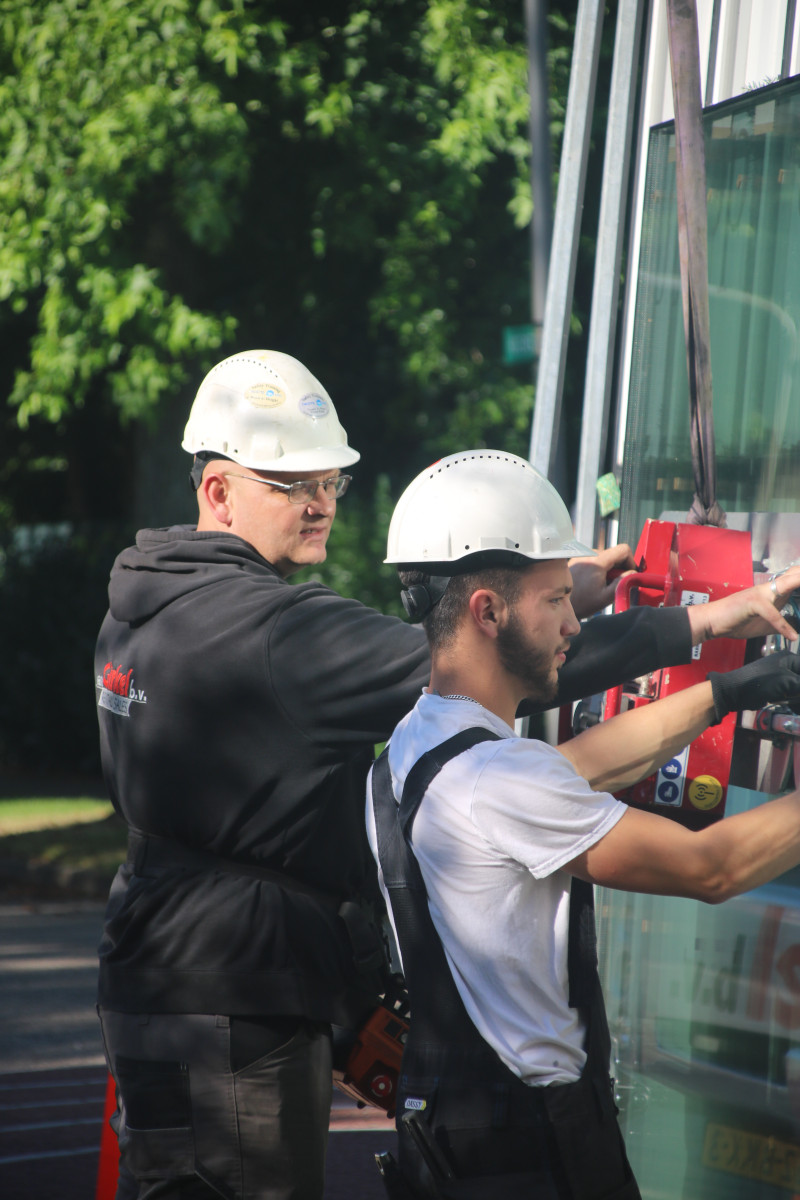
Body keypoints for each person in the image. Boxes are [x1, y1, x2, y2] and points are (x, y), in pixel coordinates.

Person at [94, 353, 800, 1200]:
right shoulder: (278, 636)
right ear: (218, 491)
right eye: (292, 483)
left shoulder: (149, 607)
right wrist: (700, 621)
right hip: (239, 992)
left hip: (156, 966)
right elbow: (461, 659)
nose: (319, 501)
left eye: (332, 481)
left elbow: (537, 732)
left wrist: (573, 601)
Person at [367, 449, 800, 1200]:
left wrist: (733, 687)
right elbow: (712, 868)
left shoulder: (422, 739)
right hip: (535, 1146)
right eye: (555, 600)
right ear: (487, 611)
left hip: (459, 1129)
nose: (575, 623)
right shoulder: (500, 782)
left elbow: (585, 763)